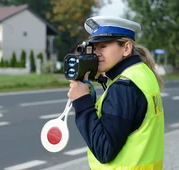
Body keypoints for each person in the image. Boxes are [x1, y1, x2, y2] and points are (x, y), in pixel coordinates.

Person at [67, 16, 164, 170]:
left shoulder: (124, 87)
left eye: (103, 46)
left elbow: (104, 150)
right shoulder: (143, 73)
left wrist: (82, 102)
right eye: (95, 47)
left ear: (126, 48)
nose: (96, 53)